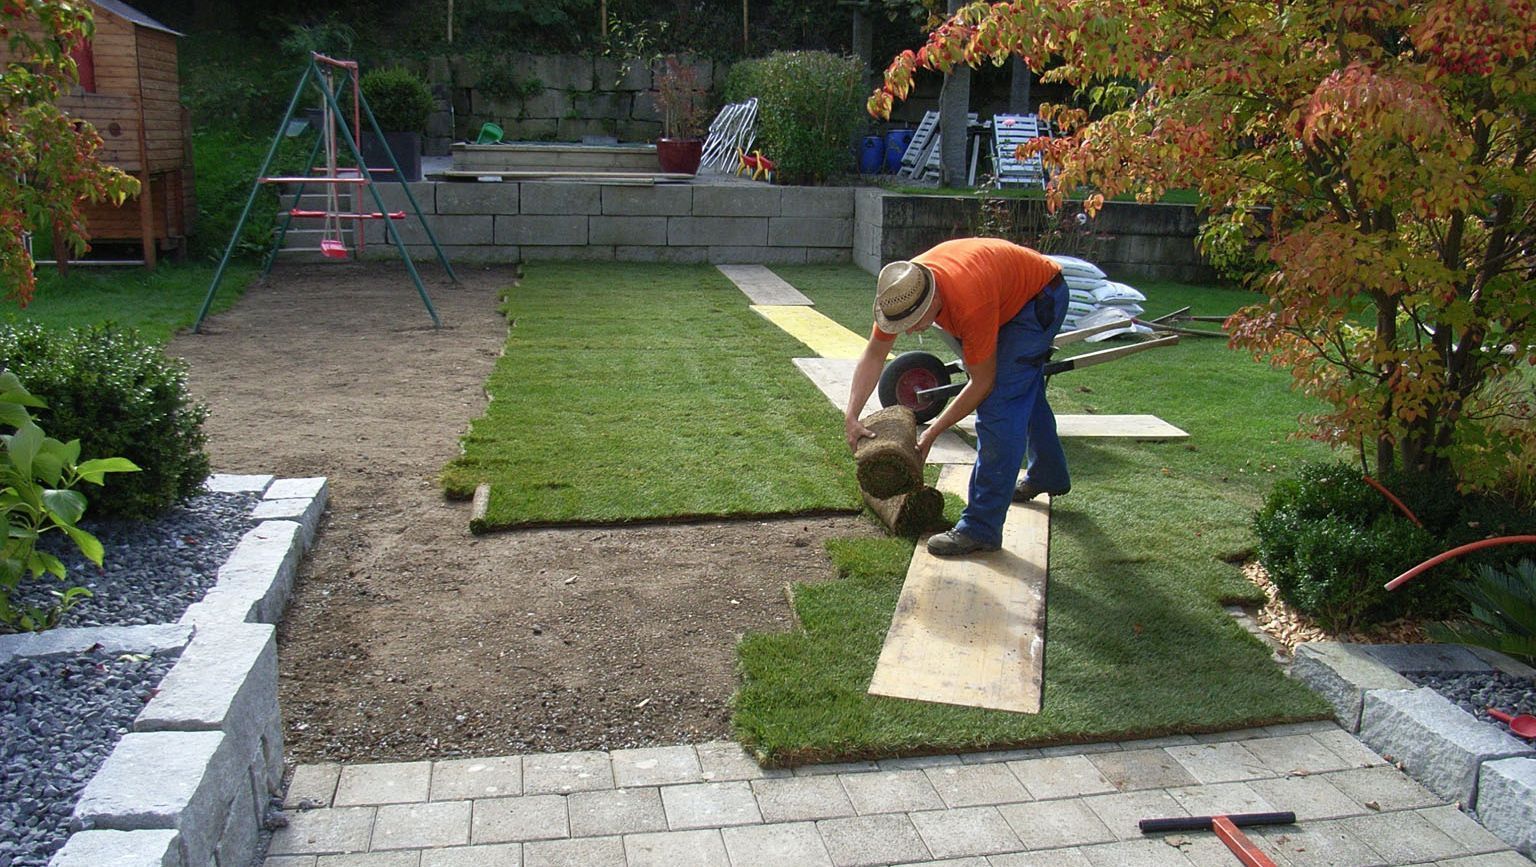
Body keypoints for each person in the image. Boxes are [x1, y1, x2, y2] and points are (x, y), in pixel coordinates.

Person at [844, 237, 1071, 557]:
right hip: (1004, 289)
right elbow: (874, 354)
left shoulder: (969, 300)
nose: (908, 331)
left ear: (933, 297)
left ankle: (980, 528)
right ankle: (1049, 474)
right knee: (1023, 390)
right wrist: (851, 415)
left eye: (914, 322)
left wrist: (933, 431)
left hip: (1038, 299)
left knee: (1000, 407)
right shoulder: (903, 286)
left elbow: (982, 383)